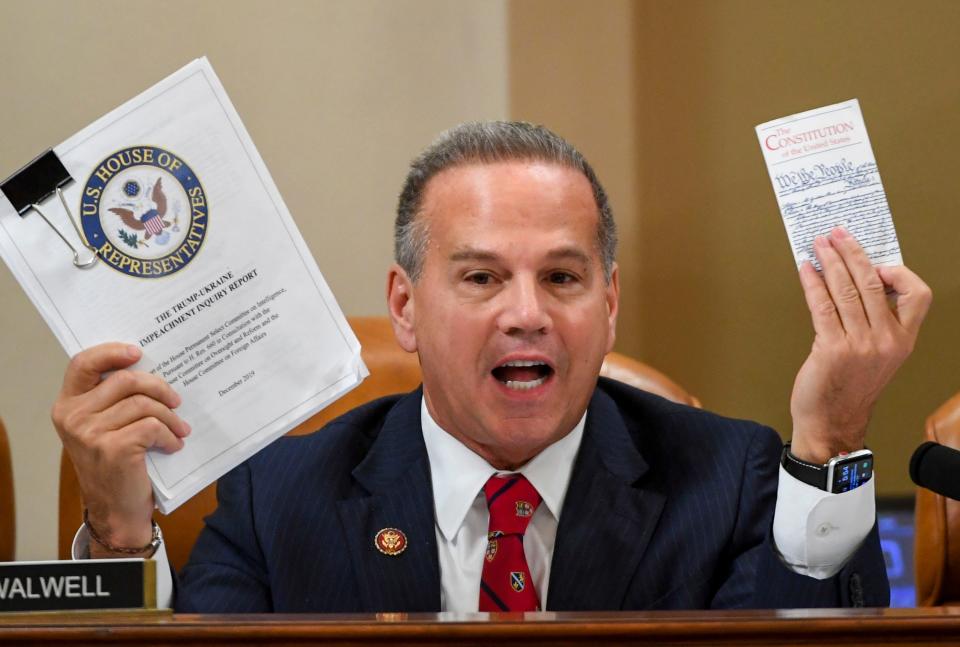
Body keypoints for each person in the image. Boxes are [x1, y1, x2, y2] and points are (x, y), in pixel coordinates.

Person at [53, 122, 931, 612]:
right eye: (480, 277)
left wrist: (831, 435)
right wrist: (123, 534)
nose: (527, 312)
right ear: (405, 307)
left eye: (562, 277)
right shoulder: (280, 496)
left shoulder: (728, 477)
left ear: (610, 302)